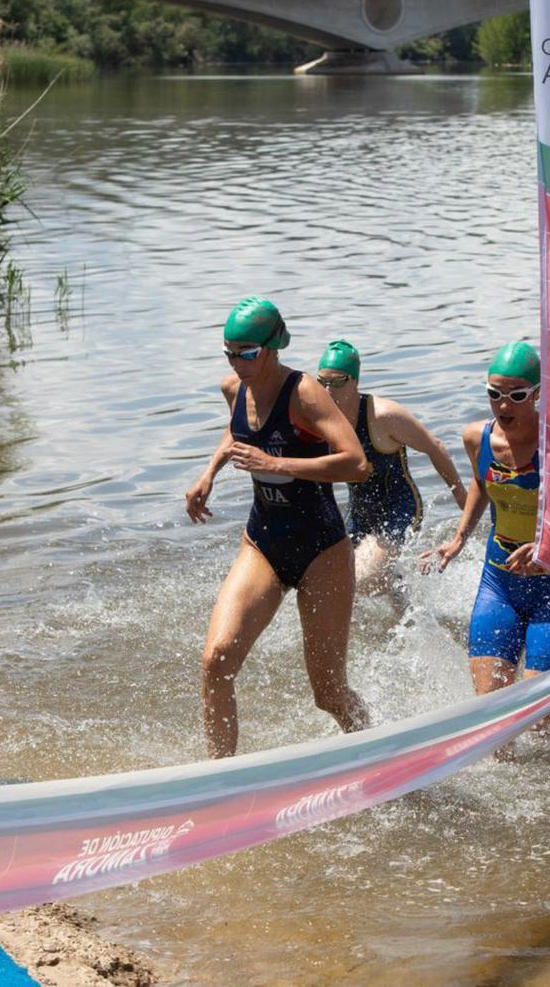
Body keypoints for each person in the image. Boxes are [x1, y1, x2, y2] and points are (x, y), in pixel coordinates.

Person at [185, 297, 371, 758]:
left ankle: (378, 752)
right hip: (263, 543)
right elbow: (238, 429)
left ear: (272, 348)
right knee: (217, 660)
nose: (237, 362)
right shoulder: (235, 387)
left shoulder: (305, 393)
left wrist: (275, 462)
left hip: (322, 551)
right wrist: (208, 472)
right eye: (229, 352)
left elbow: (357, 463)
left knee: (328, 694)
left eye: (247, 352)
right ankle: (221, 778)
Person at [422, 343, 550, 732]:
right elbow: (482, 484)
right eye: (494, 394)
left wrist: (548, 545)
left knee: (542, 711)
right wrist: (460, 536)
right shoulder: (476, 438)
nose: (503, 405)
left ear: (536, 395)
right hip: (499, 580)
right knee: (492, 712)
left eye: (516, 395)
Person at [317, 339, 468, 592]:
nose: (329, 391)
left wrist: (462, 500)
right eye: (322, 383)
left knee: (361, 580)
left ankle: (397, 585)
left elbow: (435, 447)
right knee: (333, 580)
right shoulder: (322, 421)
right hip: (359, 512)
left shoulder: (383, 416)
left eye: (338, 381)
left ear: (355, 381)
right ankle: (406, 600)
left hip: (400, 508)